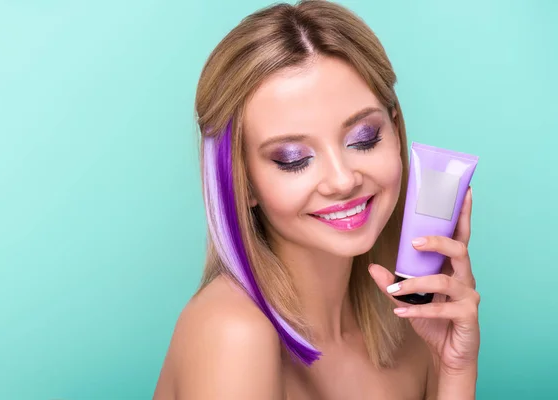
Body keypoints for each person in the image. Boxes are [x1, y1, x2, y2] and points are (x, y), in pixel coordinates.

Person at [154, 1, 480, 398]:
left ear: (395, 131)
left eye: (363, 138)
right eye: (293, 159)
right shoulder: (234, 334)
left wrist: (455, 371)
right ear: (245, 183)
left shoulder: (407, 324)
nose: (342, 180)